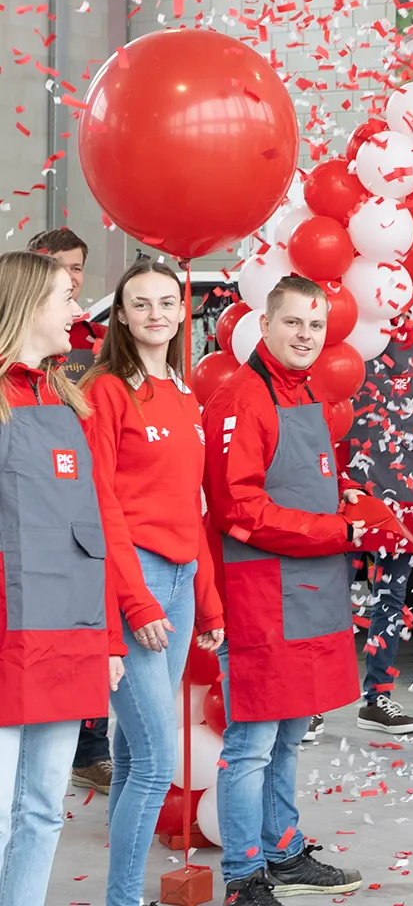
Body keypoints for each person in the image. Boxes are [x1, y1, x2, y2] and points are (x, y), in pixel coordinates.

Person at [202, 275, 366, 906]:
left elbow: (293, 479)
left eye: (315, 325)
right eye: (293, 322)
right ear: (265, 326)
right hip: (263, 595)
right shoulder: (242, 397)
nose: (305, 335)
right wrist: (336, 528)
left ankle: (284, 851)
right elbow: (238, 508)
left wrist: (344, 495)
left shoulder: (304, 393)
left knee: (290, 735)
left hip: (309, 588)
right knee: (251, 744)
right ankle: (244, 877)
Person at [81, 261, 228, 906]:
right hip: (134, 580)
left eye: (167, 302)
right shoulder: (108, 390)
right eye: (140, 304)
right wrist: (135, 601)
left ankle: (121, 894)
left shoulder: (186, 394)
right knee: (154, 762)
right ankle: (123, 898)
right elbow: (101, 501)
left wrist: (210, 600)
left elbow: (189, 505)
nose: (156, 314)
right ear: (121, 315)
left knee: (135, 754)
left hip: (181, 579)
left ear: (181, 311)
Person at [0, 251, 135, 905]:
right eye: (64, 297)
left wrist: (105, 637)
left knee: (43, 810)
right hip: (6, 640)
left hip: (64, 636)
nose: (78, 312)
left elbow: (93, 535)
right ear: (26, 306)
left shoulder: (66, 400)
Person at [27, 228, 114, 793]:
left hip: (81, 519)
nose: (75, 280)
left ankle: (92, 748)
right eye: (59, 269)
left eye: (78, 268)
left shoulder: (95, 346)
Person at [342, 313, 413, 735]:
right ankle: (313, 701)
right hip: (353, 486)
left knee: (390, 599)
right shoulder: (348, 332)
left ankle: (378, 698)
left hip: (408, 487)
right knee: (333, 598)